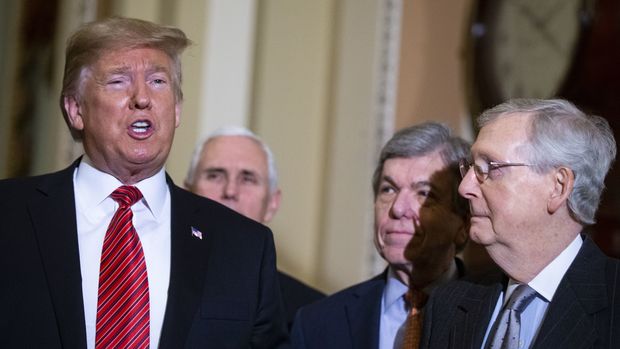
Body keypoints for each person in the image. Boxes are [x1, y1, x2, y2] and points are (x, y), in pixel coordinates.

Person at [0, 17, 288, 348]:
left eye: (157, 81)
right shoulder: (9, 216)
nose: (142, 98)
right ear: (75, 108)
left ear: (177, 109)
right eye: (119, 81)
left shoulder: (243, 246)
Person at [421, 99, 620, 349]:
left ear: (558, 186)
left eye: (490, 168)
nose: (464, 188)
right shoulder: (448, 304)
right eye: (471, 167)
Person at [291, 122, 470, 348]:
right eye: (389, 189)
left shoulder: (494, 313)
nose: (397, 208)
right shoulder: (317, 323)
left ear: (464, 224)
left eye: (424, 193)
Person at [184, 126, 325, 328]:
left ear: (272, 203)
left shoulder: (312, 313)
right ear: (186, 194)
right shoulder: (145, 282)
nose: (230, 191)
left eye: (248, 179)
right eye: (215, 176)